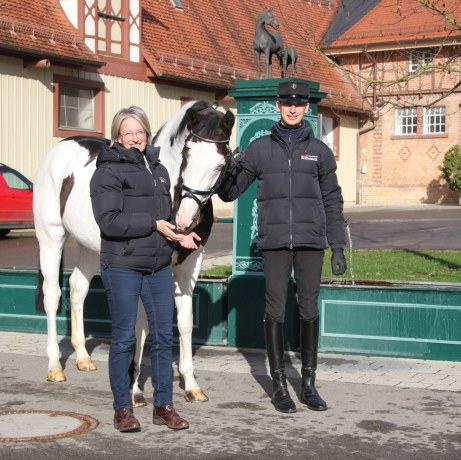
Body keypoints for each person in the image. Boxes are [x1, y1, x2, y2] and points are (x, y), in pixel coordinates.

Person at [218, 81, 347, 414]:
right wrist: (227, 169)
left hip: (310, 242)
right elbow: (230, 193)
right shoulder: (259, 149)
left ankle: (307, 385)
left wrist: (338, 246)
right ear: (278, 105)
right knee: (275, 311)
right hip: (275, 242)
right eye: (287, 103)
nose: (293, 108)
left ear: (306, 108)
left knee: (309, 311)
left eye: (299, 104)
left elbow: (333, 199)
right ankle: (278, 387)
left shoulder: (319, 151)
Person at [90, 106, 200, 432]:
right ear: (117, 137)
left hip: (157, 266)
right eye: (128, 132)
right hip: (122, 264)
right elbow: (108, 221)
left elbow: (163, 218)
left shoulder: (159, 169)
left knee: (163, 336)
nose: (135, 137)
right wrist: (154, 224)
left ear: (147, 133)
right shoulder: (107, 171)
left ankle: (163, 406)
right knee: (124, 339)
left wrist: (179, 233)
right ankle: (122, 409)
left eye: (139, 131)